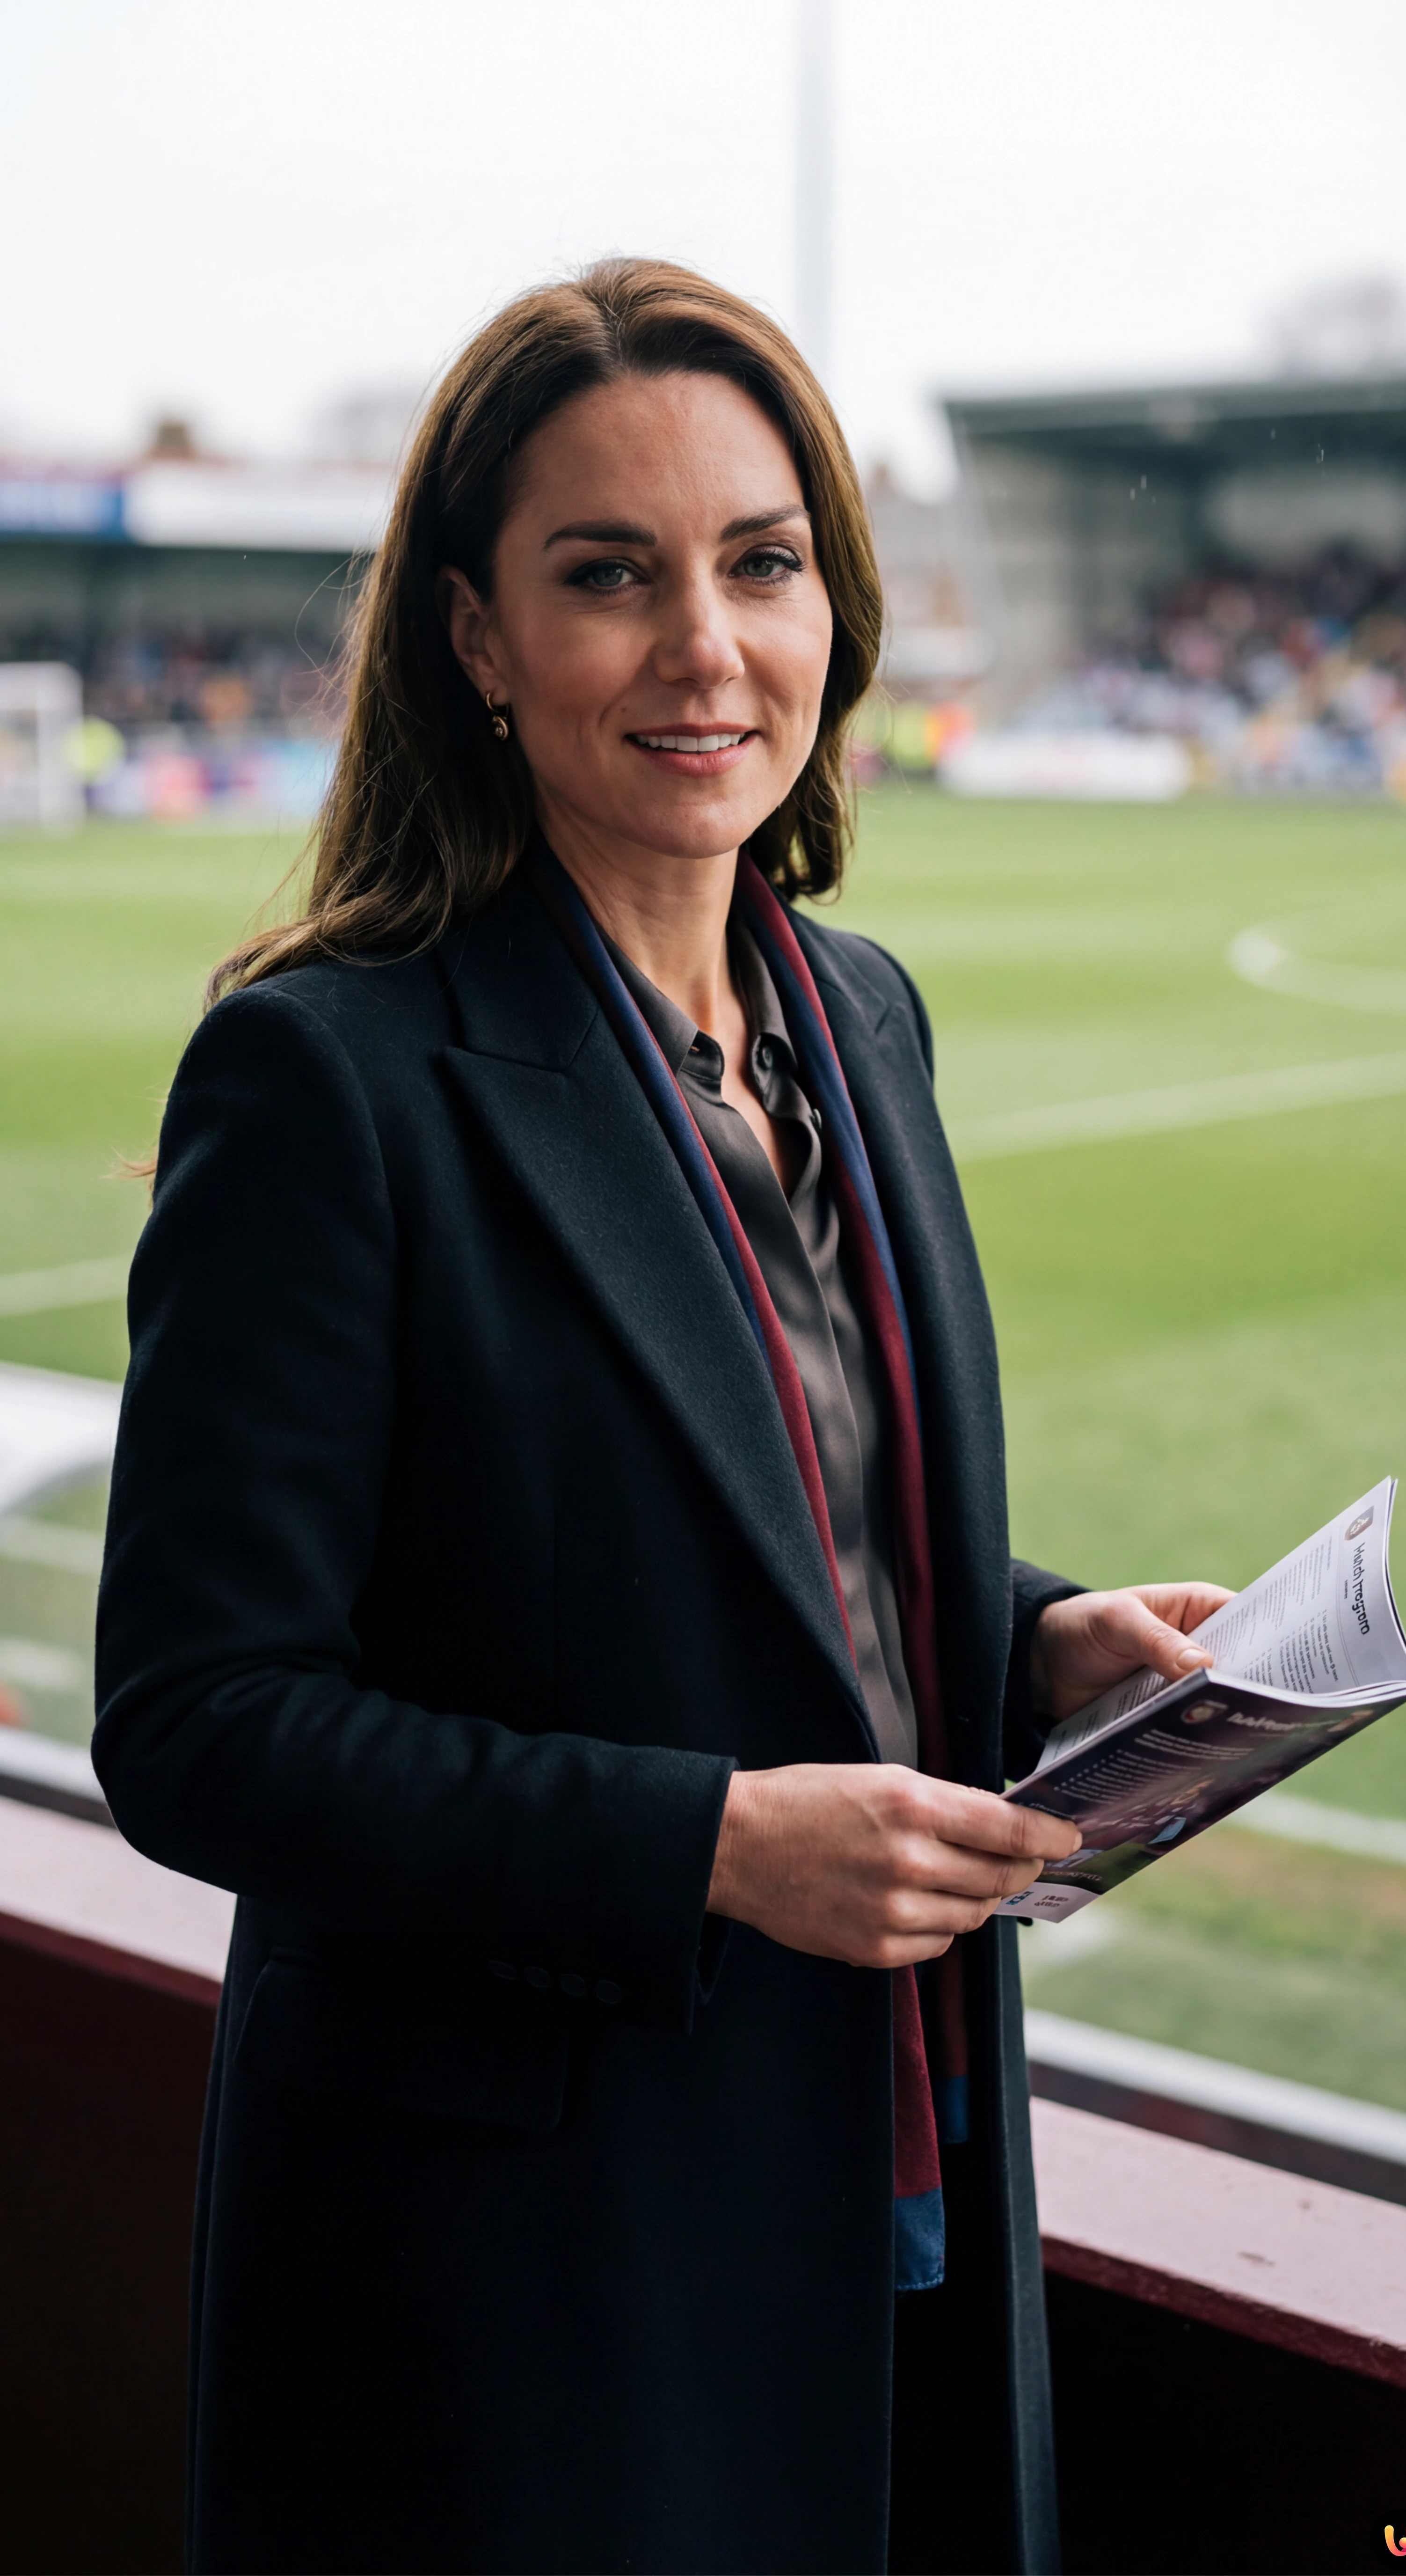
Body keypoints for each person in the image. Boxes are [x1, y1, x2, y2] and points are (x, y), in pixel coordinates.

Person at [94, 260, 1227, 2576]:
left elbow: (764, 1502)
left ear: (844, 599)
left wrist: (1031, 1636)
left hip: (887, 2174)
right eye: (609, 575)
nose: (708, 646)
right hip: (528, 2271)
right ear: (476, 640)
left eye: (763, 559)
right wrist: (709, 1838)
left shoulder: (855, 1010)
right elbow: (197, 1719)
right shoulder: (329, 1072)